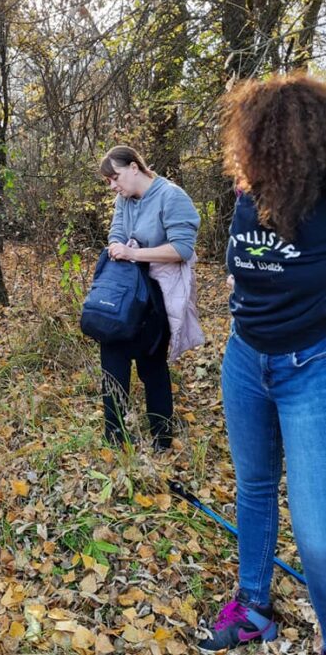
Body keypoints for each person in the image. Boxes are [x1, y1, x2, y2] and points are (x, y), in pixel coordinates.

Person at [197, 73, 326, 653]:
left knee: (316, 532)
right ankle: (254, 608)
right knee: (252, 487)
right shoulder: (249, 197)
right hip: (246, 358)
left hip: (312, 369)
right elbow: (244, 264)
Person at [98, 145, 200, 450]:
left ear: (134, 167)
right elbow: (115, 234)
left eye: (115, 177)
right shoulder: (123, 200)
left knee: (152, 365)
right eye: (109, 183)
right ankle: (115, 438)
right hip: (124, 293)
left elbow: (181, 249)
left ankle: (161, 438)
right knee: (112, 358)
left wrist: (134, 253)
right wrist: (119, 247)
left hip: (157, 295)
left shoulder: (172, 196)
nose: (113, 186)